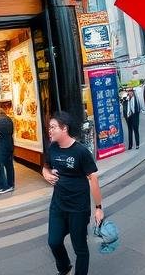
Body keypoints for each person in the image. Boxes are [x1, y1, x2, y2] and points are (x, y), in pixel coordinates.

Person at [43, 112, 103, 275]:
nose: (50, 130)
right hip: (58, 205)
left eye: (53, 127)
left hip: (78, 208)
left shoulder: (80, 151)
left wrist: (98, 208)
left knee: (80, 248)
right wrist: (46, 173)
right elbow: (46, 166)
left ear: (65, 129)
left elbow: (93, 178)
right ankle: (64, 268)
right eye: (49, 127)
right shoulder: (52, 147)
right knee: (54, 241)